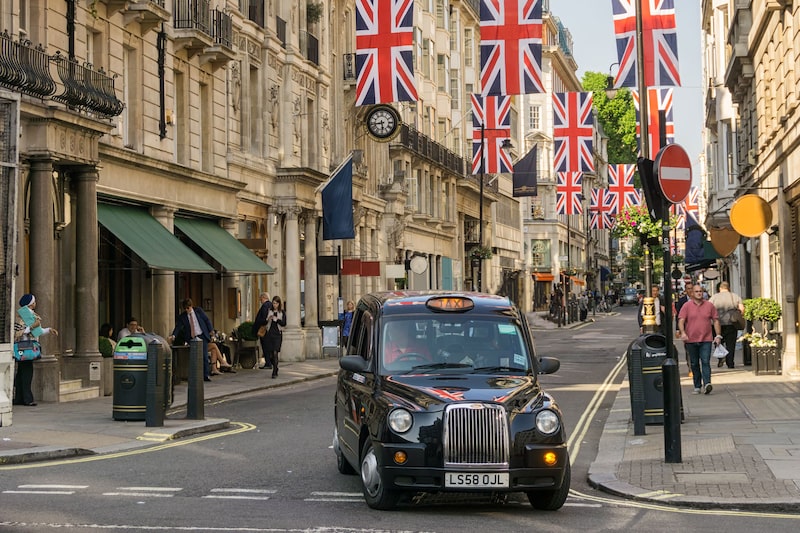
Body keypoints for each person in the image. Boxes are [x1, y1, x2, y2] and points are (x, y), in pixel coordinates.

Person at [13, 293, 58, 406]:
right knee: (26, 373)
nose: (35, 303)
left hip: (26, 348)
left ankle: (19, 398)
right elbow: (19, 332)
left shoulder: (31, 315)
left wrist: (49, 330)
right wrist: (33, 326)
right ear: (30, 304)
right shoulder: (22, 317)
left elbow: (38, 331)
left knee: (22, 373)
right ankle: (27, 399)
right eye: (34, 302)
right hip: (24, 348)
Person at [678, 283, 723, 395]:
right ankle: (697, 386)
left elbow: (716, 320)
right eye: (696, 291)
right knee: (694, 363)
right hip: (691, 339)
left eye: (700, 291)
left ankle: (707, 383)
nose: (699, 293)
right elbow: (681, 320)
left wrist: (718, 335)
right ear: (692, 293)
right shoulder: (687, 306)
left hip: (706, 339)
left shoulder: (709, 305)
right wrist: (683, 333)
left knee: (705, 361)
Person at [170, 298, 215, 382]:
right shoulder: (183, 316)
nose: (187, 310)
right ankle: (195, 375)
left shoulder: (198, 311)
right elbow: (178, 327)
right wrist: (174, 335)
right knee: (194, 356)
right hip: (192, 338)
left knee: (204, 356)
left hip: (201, 335)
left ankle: (206, 375)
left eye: (188, 308)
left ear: (191, 306)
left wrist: (211, 330)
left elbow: (206, 320)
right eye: (185, 308)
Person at [709, 281, 744, 369]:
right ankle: (730, 362)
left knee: (718, 341)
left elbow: (709, 309)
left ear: (720, 288)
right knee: (731, 344)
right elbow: (742, 309)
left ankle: (720, 357)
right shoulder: (735, 296)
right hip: (731, 323)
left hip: (717, 324)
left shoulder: (714, 297)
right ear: (728, 287)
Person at [257, 296, 286, 378]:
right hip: (269, 334)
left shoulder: (282, 312)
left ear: (279, 304)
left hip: (277, 334)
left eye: (276, 303)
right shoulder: (270, 311)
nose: (275, 305)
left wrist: (277, 320)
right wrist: (268, 319)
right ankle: (275, 366)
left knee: (275, 352)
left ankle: (274, 371)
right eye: (273, 303)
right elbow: (265, 321)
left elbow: (284, 323)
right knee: (270, 353)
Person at [253, 292, 272, 369]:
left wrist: (258, 323)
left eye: (261, 299)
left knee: (265, 346)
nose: (260, 300)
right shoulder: (271, 305)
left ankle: (268, 363)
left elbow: (264, 319)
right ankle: (270, 362)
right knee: (268, 346)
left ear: (264, 297)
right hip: (270, 329)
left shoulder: (265, 306)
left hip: (264, 329)